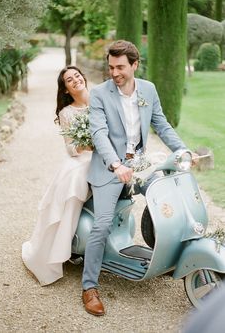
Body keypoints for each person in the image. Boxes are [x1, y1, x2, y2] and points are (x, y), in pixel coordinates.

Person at [81, 40, 189, 316]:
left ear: (134, 65)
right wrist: (116, 164)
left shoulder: (148, 90)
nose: (114, 73)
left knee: (169, 199)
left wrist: (181, 149)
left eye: (120, 67)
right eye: (110, 67)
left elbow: (161, 123)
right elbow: (99, 133)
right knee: (102, 225)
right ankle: (89, 286)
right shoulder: (100, 94)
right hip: (109, 169)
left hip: (138, 164)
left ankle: (168, 258)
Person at [22, 66, 92, 286]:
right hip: (82, 160)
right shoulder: (67, 113)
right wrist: (91, 144)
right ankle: (53, 255)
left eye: (77, 76)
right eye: (69, 80)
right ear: (65, 90)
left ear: (84, 78)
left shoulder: (100, 101)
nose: (75, 80)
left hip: (108, 159)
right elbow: (71, 148)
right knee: (74, 184)